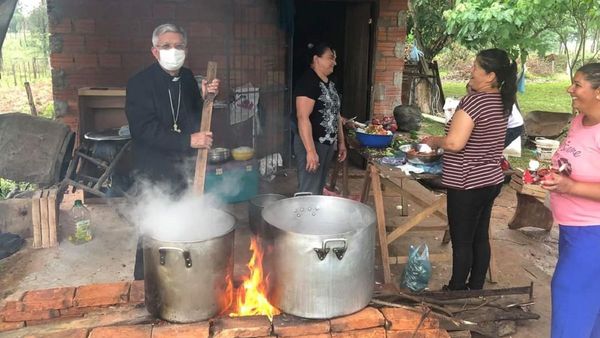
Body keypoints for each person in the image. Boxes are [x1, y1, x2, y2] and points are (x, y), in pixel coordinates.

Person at [125, 23, 219, 280]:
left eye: (178, 46)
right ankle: (146, 281)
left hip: (184, 168)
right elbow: (144, 131)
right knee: (153, 227)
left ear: (186, 50)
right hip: (153, 170)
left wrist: (205, 98)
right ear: (155, 52)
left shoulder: (188, 78)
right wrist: (190, 141)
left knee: (185, 221)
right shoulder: (139, 84)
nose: (173, 51)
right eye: (166, 46)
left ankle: (180, 278)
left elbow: (192, 117)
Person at [423, 48, 517, 290]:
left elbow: (455, 143)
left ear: (490, 75)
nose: (471, 71)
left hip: (467, 182)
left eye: (475, 67)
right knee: (480, 237)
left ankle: (456, 289)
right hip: (491, 180)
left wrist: (435, 141)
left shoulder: (473, 102)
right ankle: (475, 288)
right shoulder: (503, 100)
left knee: (462, 240)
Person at [541, 63, 600, 338]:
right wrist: (557, 175)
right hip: (572, 230)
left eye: (577, 85)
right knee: (588, 306)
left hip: (593, 233)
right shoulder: (580, 120)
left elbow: (576, 181)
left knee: (569, 297)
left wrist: (570, 185)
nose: (570, 89)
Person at [292, 42, 347, 195]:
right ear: (316, 59)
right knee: (308, 189)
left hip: (327, 145)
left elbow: (336, 114)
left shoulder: (331, 84)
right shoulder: (307, 82)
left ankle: (314, 217)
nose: (334, 62)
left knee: (318, 186)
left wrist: (341, 143)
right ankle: (302, 217)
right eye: (330, 58)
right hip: (311, 143)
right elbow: (302, 117)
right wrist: (310, 151)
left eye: (335, 59)